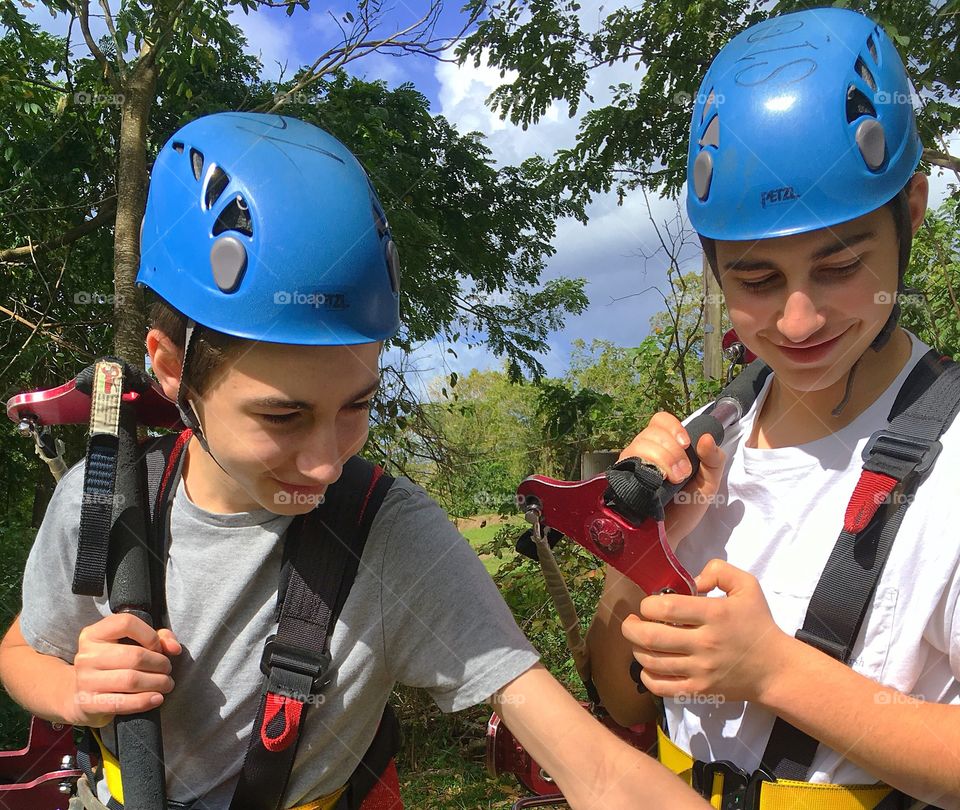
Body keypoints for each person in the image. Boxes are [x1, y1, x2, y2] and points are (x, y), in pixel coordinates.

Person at [0, 112, 709, 810]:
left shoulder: (389, 539)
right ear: (171, 368)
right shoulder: (105, 501)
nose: (325, 465)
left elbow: (595, 772)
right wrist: (72, 691)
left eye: (356, 406)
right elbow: (22, 650)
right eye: (282, 415)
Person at [587, 7, 960, 809]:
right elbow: (625, 702)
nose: (797, 321)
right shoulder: (699, 448)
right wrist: (642, 555)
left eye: (841, 265)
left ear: (914, 210)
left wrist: (777, 672)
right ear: (713, 263)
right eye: (756, 281)